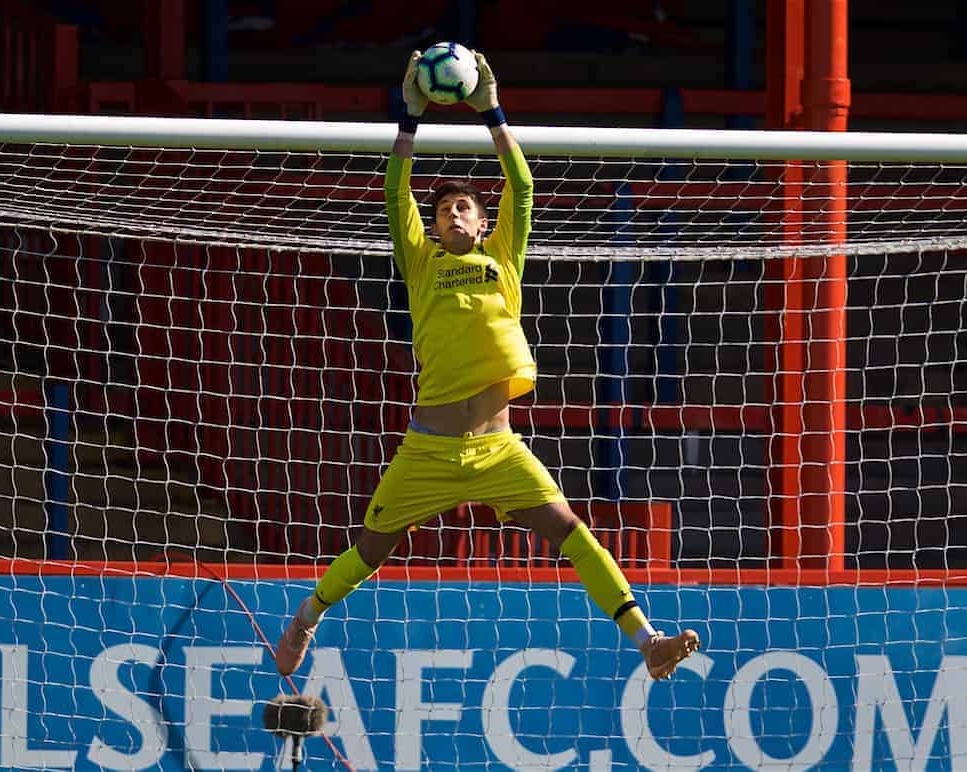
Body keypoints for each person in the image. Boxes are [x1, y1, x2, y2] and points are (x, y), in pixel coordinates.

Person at [275, 50, 700, 680]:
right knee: (371, 548)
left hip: (499, 449)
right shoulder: (421, 263)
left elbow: (522, 187)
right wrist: (410, 117)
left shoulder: (504, 258)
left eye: (464, 208)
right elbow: (396, 192)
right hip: (429, 451)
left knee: (573, 532)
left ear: (481, 224)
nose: (452, 212)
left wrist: (492, 110)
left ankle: (647, 641)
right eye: (443, 207)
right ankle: (306, 619)